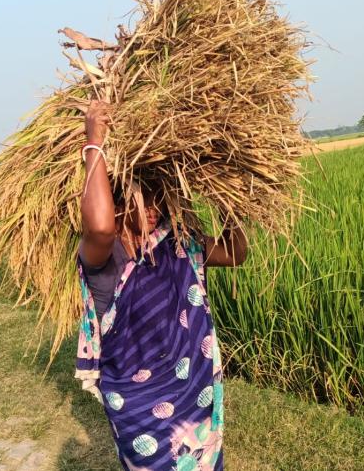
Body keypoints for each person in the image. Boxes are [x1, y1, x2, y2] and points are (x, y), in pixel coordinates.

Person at [75, 100, 248, 470]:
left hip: (192, 394)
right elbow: (100, 227)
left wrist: (226, 194)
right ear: (116, 201)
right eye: (141, 193)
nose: (153, 204)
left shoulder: (177, 245)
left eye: (158, 193)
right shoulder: (104, 257)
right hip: (137, 406)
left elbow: (235, 252)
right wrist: (94, 139)